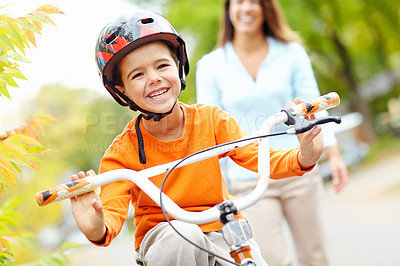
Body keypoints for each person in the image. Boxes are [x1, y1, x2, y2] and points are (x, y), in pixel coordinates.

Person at [70, 8, 325, 266]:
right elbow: (111, 211)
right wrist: (96, 227)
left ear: (179, 66)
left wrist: (304, 155)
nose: (154, 78)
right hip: (165, 237)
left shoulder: (211, 120)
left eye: (162, 65)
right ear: (121, 90)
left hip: (222, 228)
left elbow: (257, 157)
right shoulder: (122, 153)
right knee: (183, 234)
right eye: (138, 74)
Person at [195, 0, 348, 265]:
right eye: (239, 1)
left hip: (299, 167)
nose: (246, 8)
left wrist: (334, 155)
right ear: (228, 9)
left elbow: (315, 104)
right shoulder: (210, 65)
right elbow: (209, 131)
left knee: (315, 256)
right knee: (271, 259)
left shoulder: (291, 52)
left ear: (266, 8)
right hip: (248, 178)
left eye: (254, 1)